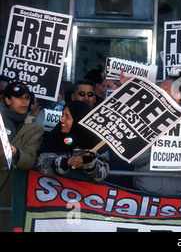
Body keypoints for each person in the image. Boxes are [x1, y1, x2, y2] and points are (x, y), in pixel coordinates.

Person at [0, 81, 44, 231]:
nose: (24, 102)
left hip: (16, 193)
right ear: (7, 100)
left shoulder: (35, 127)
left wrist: (14, 152)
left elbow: (30, 159)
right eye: (19, 97)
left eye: (27, 97)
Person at [35, 101, 109, 182]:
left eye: (67, 116)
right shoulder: (55, 135)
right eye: (62, 115)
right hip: (52, 190)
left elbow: (103, 174)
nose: (62, 120)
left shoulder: (97, 142)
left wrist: (90, 164)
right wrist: (67, 162)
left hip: (83, 193)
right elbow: (41, 165)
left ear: (79, 119)